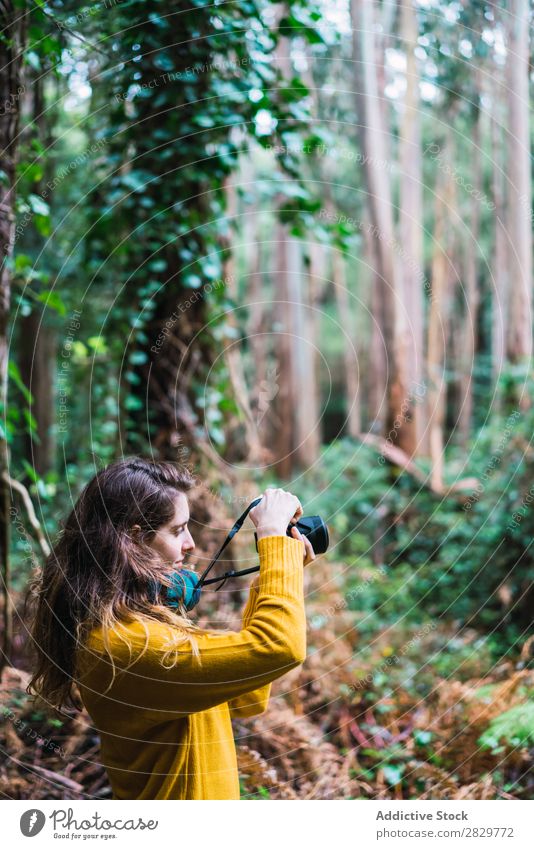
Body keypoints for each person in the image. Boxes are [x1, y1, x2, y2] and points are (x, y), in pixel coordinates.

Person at [27, 457, 314, 800]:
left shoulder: (145, 623)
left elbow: (247, 696)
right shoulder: (128, 645)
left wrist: (279, 570)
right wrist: (272, 541)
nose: (191, 544)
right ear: (134, 540)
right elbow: (280, 648)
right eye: (178, 530)